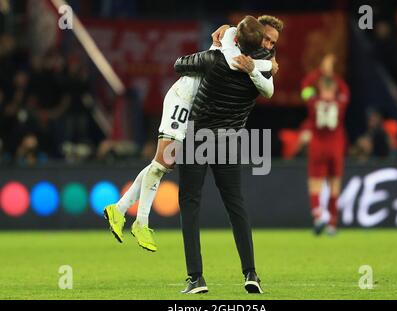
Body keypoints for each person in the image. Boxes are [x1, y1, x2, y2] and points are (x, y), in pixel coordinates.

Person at [103, 17, 276, 252]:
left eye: (270, 42)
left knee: (164, 163)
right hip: (183, 98)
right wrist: (266, 67)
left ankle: (119, 210)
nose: (267, 45)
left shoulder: (244, 46)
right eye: (265, 39)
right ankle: (141, 223)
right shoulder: (227, 44)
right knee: (163, 162)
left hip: (195, 105)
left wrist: (264, 65)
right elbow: (234, 62)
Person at [174, 15, 283, 294]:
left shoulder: (215, 59)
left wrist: (218, 45)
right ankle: (251, 273)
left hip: (197, 137)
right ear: (258, 39)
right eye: (267, 39)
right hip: (230, 141)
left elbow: (179, 64)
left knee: (190, 204)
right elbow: (266, 83)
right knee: (236, 206)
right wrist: (261, 64)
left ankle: (196, 278)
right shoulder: (263, 71)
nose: (269, 45)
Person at [301, 74, 349, 236]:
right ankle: (332, 224)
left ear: (320, 87)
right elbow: (345, 90)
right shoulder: (340, 101)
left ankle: (318, 217)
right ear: (334, 88)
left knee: (315, 184)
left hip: (318, 146)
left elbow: (305, 88)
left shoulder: (313, 100)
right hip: (336, 146)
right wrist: (333, 74)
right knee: (335, 185)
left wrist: (319, 71)